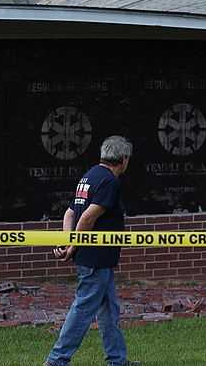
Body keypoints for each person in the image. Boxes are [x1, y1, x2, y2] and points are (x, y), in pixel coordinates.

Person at [44, 135, 141, 366]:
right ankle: (56, 361)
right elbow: (86, 218)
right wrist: (72, 247)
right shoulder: (110, 181)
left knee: (108, 311)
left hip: (99, 259)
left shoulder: (89, 176)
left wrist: (69, 244)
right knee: (84, 309)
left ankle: (117, 360)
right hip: (95, 258)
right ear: (124, 158)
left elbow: (70, 213)